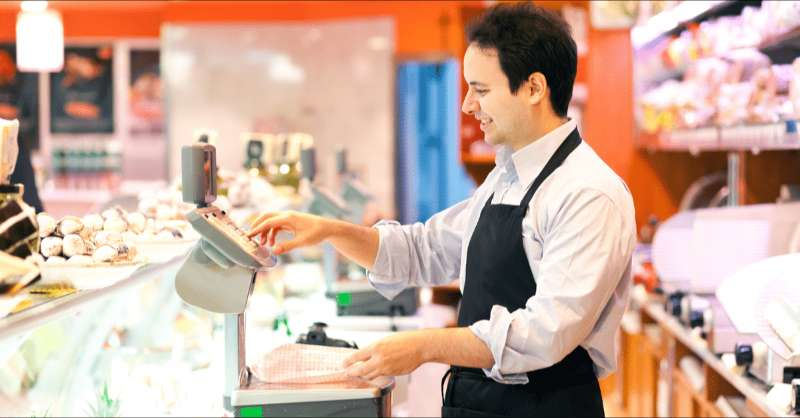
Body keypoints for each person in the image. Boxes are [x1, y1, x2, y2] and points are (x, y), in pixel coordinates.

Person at [247, 3, 635, 416]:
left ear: (534, 88)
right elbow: (423, 249)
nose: (467, 106)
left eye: (481, 90)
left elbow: (544, 333)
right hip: (479, 403)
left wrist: (425, 346)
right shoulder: (505, 177)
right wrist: (330, 230)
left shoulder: (589, 193)